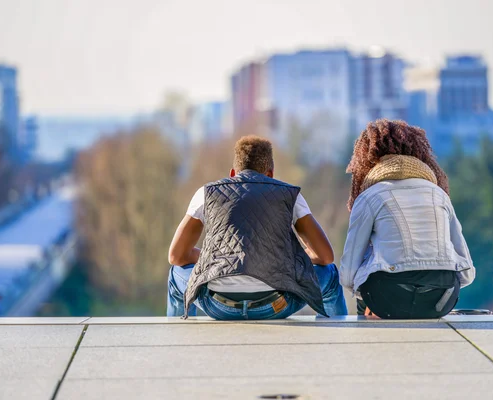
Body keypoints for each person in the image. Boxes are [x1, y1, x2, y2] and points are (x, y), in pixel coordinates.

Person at [168, 135, 347, 320]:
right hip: (276, 305)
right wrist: (287, 258)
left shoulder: (206, 193)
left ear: (232, 174)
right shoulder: (289, 195)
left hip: (218, 305)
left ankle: (177, 343)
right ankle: (338, 337)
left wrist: (215, 258)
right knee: (330, 275)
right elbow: (325, 257)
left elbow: (176, 256)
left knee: (176, 274)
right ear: (270, 174)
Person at [340, 119, 476, 319]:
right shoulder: (439, 195)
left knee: (364, 290)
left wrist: (365, 291)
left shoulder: (369, 197)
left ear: (367, 160)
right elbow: (467, 272)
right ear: (419, 153)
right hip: (442, 299)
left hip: (388, 299)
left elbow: (348, 274)